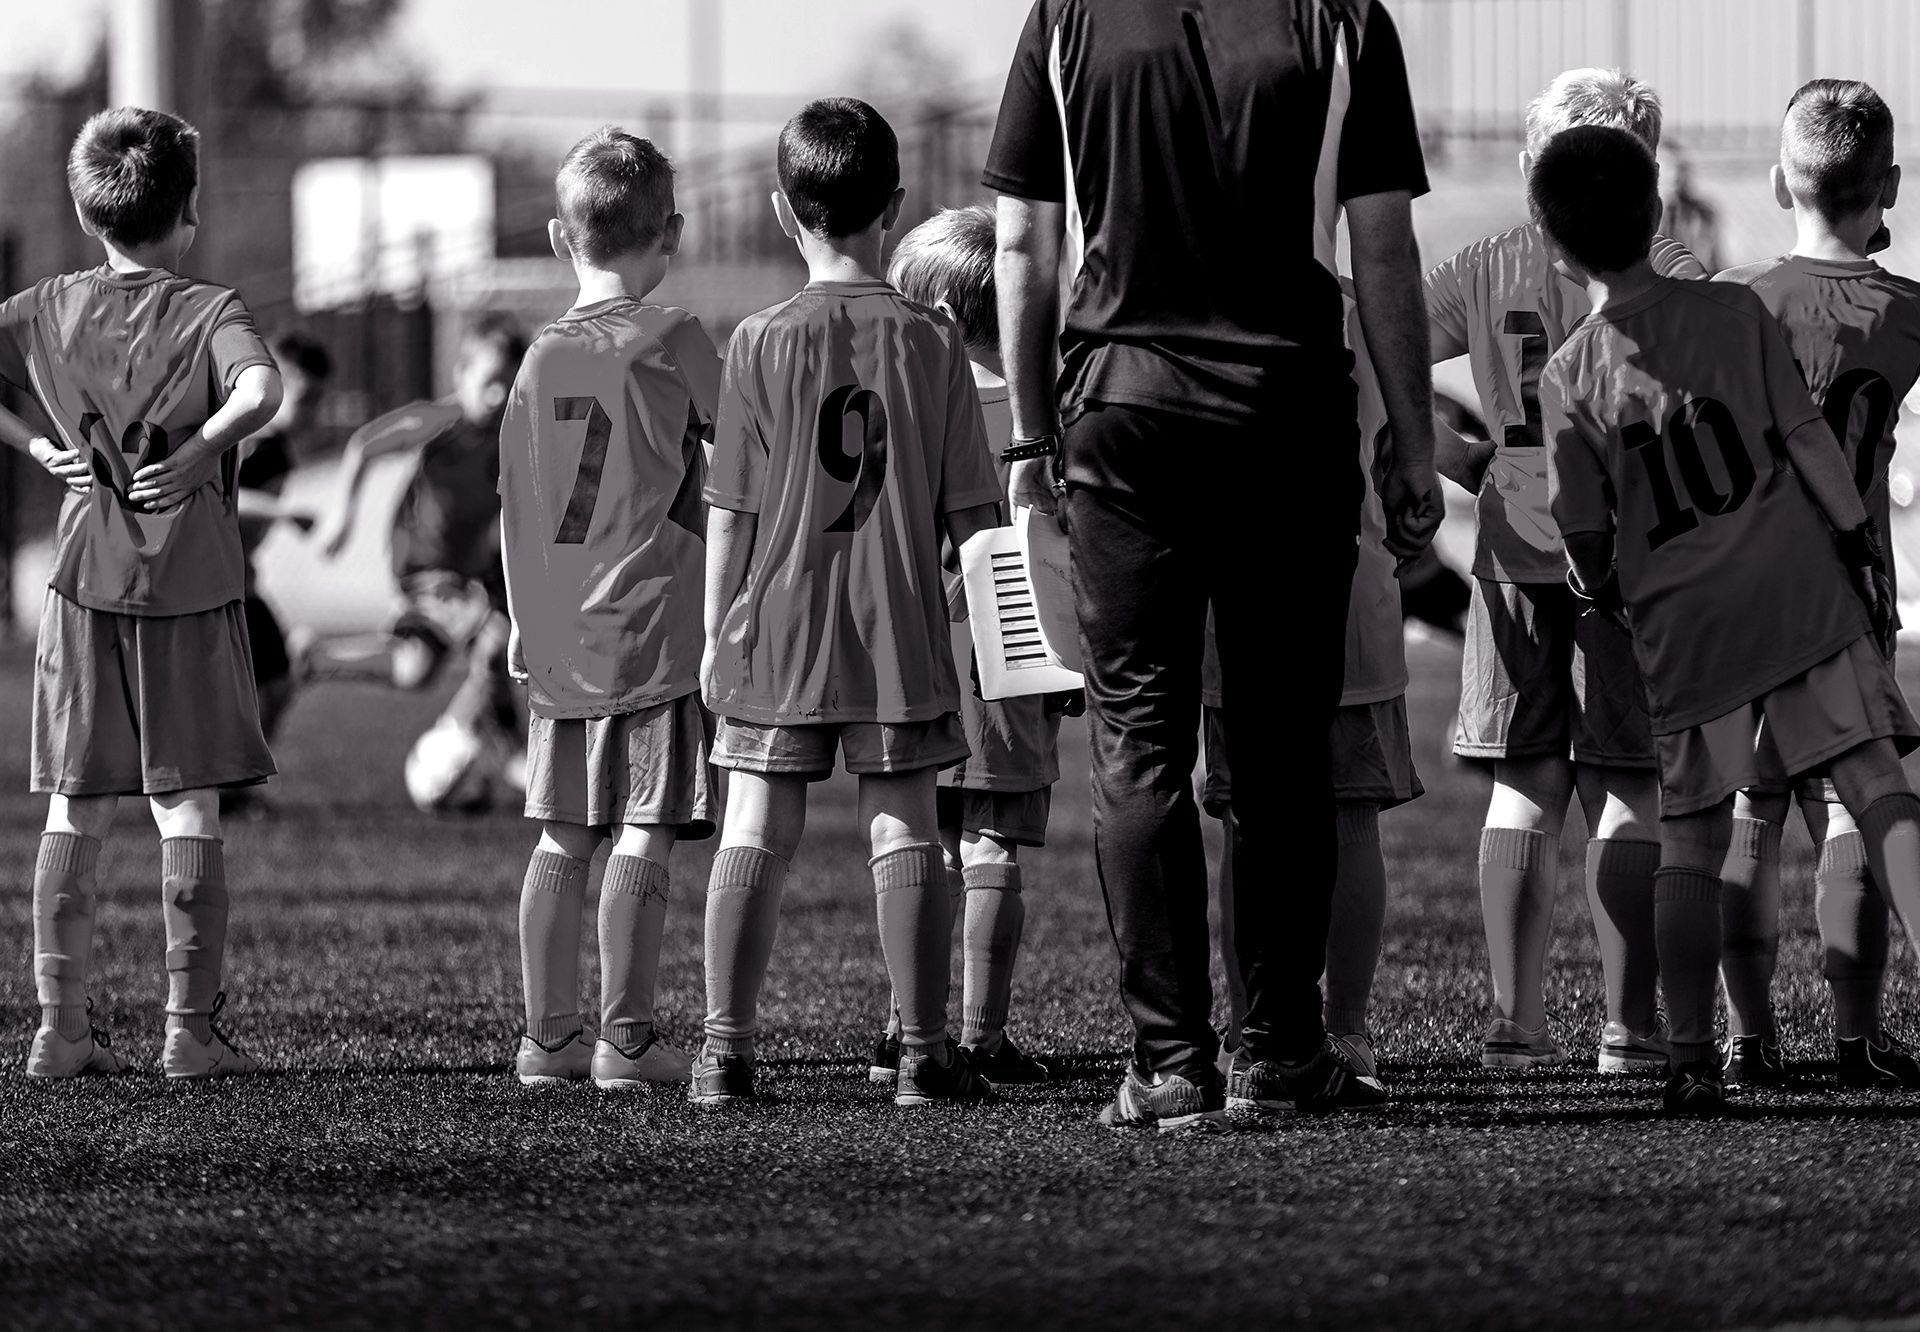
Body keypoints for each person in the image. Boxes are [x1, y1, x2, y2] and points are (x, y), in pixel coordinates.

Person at [987, 0, 1438, 1130]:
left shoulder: (1067, 16)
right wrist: (1413, 440)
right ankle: (1280, 1056)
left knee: (1139, 738)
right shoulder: (1342, 18)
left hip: (1123, 414)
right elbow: (1381, 243)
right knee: (1281, 745)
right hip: (1286, 411)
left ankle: (1170, 1064)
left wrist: (1034, 440)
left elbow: (1020, 245)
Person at [1534, 124, 1920, 1116]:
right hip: (1799, 596)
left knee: (1698, 841)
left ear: (1553, 244)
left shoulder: (1569, 374)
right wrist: (1857, 541)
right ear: (1660, 214)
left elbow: (1582, 537)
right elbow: (1804, 438)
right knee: (1874, 787)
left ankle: (1697, 1057)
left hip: (1686, 630)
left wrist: (1604, 589)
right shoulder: (1733, 310)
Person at [695, 98, 1003, 1108]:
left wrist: (713, 634)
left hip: (775, 626)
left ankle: (724, 1053)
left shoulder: (754, 341)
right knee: (905, 827)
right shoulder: (933, 344)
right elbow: (974, 518)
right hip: (896, 625)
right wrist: (1008, 638)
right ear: (898, 205)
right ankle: (923, 1054)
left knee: (754, 828)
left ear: (786, 213)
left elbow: (730, 512)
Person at [1424, 68, 1706, 1072]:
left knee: (1523, 787)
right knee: (1628, 785)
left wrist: (1444, 448)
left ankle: (1514, 1022)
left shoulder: (1487, 263)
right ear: (1647, 171)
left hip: (1509, 556)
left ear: (1528, 167)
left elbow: (1373, 345)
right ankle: (1629, 1031)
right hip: (1629, 563)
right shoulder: (1668, 266)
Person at [4, 108, 284, 1078]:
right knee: (187, 808)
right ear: (189, 210)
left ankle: (59, 1030)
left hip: (82, 586)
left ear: (89, 217)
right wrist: (205, 446)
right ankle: (189, 1033)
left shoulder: (48, 307)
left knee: (73, 810)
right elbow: (262, 392)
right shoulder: (211, 311)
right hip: (189, 586)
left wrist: (34, 444)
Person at [498, 127, 721, 1090]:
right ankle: (627, 1043)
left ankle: (546, 1041)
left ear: (559, 238)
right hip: (655, 628)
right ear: (669, 232)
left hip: (555, 634)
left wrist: (518, 619)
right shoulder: (676, 336)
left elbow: (518, 503)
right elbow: (740, 462)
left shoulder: (536, 357)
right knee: (644, 828)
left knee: (561, 834)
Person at [1712, 79, 1920, 1090]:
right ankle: (1854, 1039)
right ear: (1888, 185)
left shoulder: (1734, 302)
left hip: (1742, 595)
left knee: (1749, 812)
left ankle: (1748, 1042)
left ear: (1774, 180)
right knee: (1853, 809)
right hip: (1850, 591)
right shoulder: (1908, 311)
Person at [866, 203, 1067, 1089]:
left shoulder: (908, 409)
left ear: (938, 320)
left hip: (915, 654)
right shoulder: (1044, 425)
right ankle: (980, 1039)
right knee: (990, 844)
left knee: (917, 839)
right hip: (1011, 659)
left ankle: (908, 1032)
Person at [1208, 280, 1422, 1092]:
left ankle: (1248, 1032)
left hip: (1235, 599)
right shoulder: (1369, 303)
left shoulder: (1205, 296)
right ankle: (1347, 1030)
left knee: (1248, 820)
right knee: (1350, 811)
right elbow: (1410, 442)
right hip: (1349, 584)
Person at [306, 316, 527, 760]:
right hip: (425, 570)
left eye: (508, 384)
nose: (497, 395)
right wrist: (342, 517)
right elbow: (364, 444)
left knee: (415, 670)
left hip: (477, 573)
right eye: (488, 381)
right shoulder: (441, 422)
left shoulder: (515, 434)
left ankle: (315, 658)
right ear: (460, 374)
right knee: (494, 638)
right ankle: (500, 753)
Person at [226, 330, 333, 817]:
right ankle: (226, 788)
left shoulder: (277, 446)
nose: (310, 412)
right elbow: (221, 499)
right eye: (305, 398)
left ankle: (233, 786)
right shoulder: (252, 442)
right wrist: (284, 512)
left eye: (317, 401)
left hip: (240, 580)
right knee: (265, 683)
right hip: (217, 584)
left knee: (273, 682)